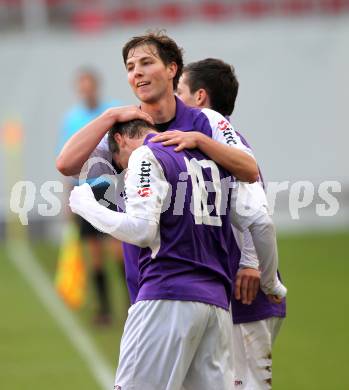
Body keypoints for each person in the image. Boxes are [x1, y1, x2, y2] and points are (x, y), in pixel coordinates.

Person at [69, 118, 286, 390]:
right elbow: (258, 220)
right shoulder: (204, 158)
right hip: (217, 307)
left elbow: (142, 230)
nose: (123, 169)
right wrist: (270, 281)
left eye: (118, 161)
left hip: (167, 296)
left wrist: (86, 205)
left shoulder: (144, 155)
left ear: (121, 140)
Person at [56, 31, 259, 306]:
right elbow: (66, 164)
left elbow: (249, 170)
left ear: (172, 69)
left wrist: (199, 140)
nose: (137, 72)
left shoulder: (206, 121)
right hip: (150, 290)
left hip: (210, 287)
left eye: (146, 63)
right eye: (130, 67)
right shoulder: (124, 130)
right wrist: (110, 116)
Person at [175, 57, 286, 389]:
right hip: (227, 289)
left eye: (179, 90)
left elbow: (256, 204)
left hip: (247, 291)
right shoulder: (204, 143)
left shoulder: (225, 144)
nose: (174, 99)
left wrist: (252, 263)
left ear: (200, 97)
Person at [57, 68, 124, 324]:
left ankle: (132, 301)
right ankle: (104, 309)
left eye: (90, 86)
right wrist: (68, 200)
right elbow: (66, 161)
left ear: (97, 86)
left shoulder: (112, 112)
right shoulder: (72, 119)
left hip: (110, 186)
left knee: (120, 250)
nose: (87, 91)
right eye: (82, 87)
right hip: (86, 189)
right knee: (95, 256)